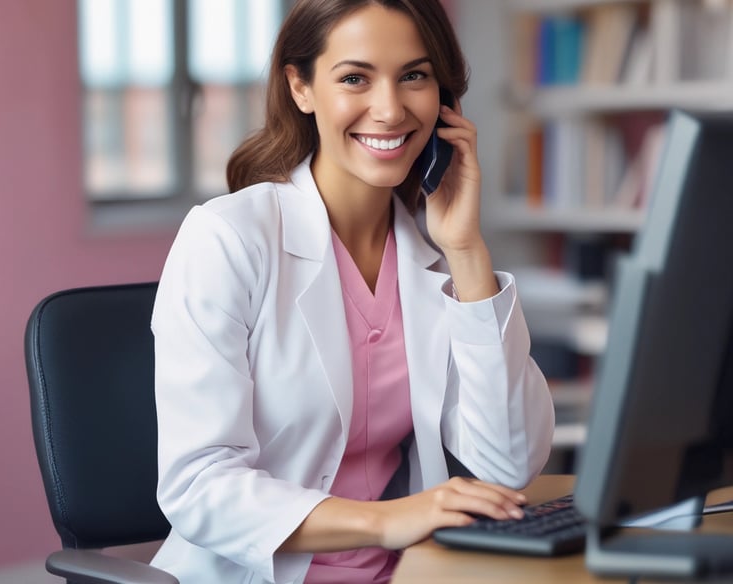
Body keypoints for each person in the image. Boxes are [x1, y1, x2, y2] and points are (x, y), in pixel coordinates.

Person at [150, 1, 555, 583]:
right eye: (354, 78)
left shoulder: (435, 254)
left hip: (410, 571)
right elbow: (199, 486)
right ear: (301, 87)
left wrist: (467, 252)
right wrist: (385, 520)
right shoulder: (229, 238)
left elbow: (510, 463)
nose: (389, 110)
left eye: (413, 75)